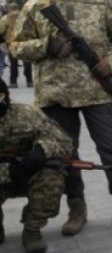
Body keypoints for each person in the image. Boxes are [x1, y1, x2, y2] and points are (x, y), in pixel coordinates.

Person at [9, 0, 112, 237]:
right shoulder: (35, 5)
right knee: (64, 156)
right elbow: (15, 45)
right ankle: (77, 207)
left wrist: (110, 62)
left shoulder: (99, 0)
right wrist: (46, 46)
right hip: (55, 95)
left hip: (98, 92)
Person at [0, 77, 73, 252]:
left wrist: (42, 150)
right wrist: (8, 171)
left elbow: (63, 141)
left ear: (3, 96)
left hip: (29, 174)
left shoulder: (27, 113)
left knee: (53, 175)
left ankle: (32, 230)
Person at [0, 4, 33, 88]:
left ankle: (13, 82)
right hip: (24, 42)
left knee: (13, 63)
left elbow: (1, 30)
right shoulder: (25, 16)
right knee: (27, 62)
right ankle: (29, 81)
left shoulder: (5, 18)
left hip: (11, 43)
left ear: (9, 9)